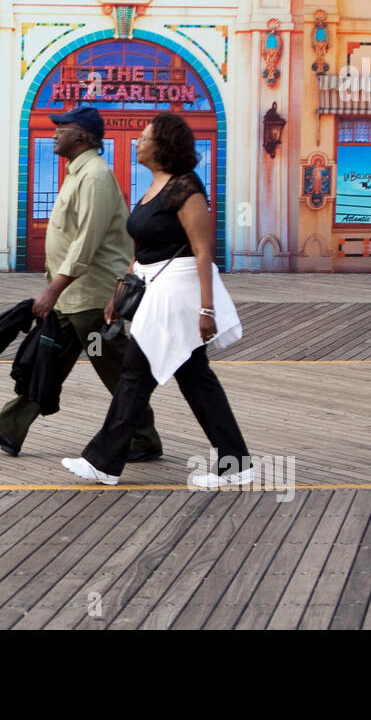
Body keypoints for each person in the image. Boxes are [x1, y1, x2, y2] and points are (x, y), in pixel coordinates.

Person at [62, 111, 253, 487]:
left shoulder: (186, 188)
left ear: (162, 146)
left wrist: (206, 308)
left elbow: (202, 251)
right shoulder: (154, 187)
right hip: (155, 290)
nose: (137, 141)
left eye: (144, 137)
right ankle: (236, 464)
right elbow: (146, 249)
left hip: (179, 296)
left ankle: (103, 461)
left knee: (136, 374)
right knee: (194, 379)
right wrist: (121, 292)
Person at [0, 105, 163, 461]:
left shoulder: (95, 177)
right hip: (75, 300)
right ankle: (9, 428)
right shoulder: (77, 173)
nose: (55, 132)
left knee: (115, 369)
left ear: (82, 136)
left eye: (63, 127)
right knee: (50, 364)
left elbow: (85, 242)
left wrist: (52, 290)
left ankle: (144, 439)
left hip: (95, 299)